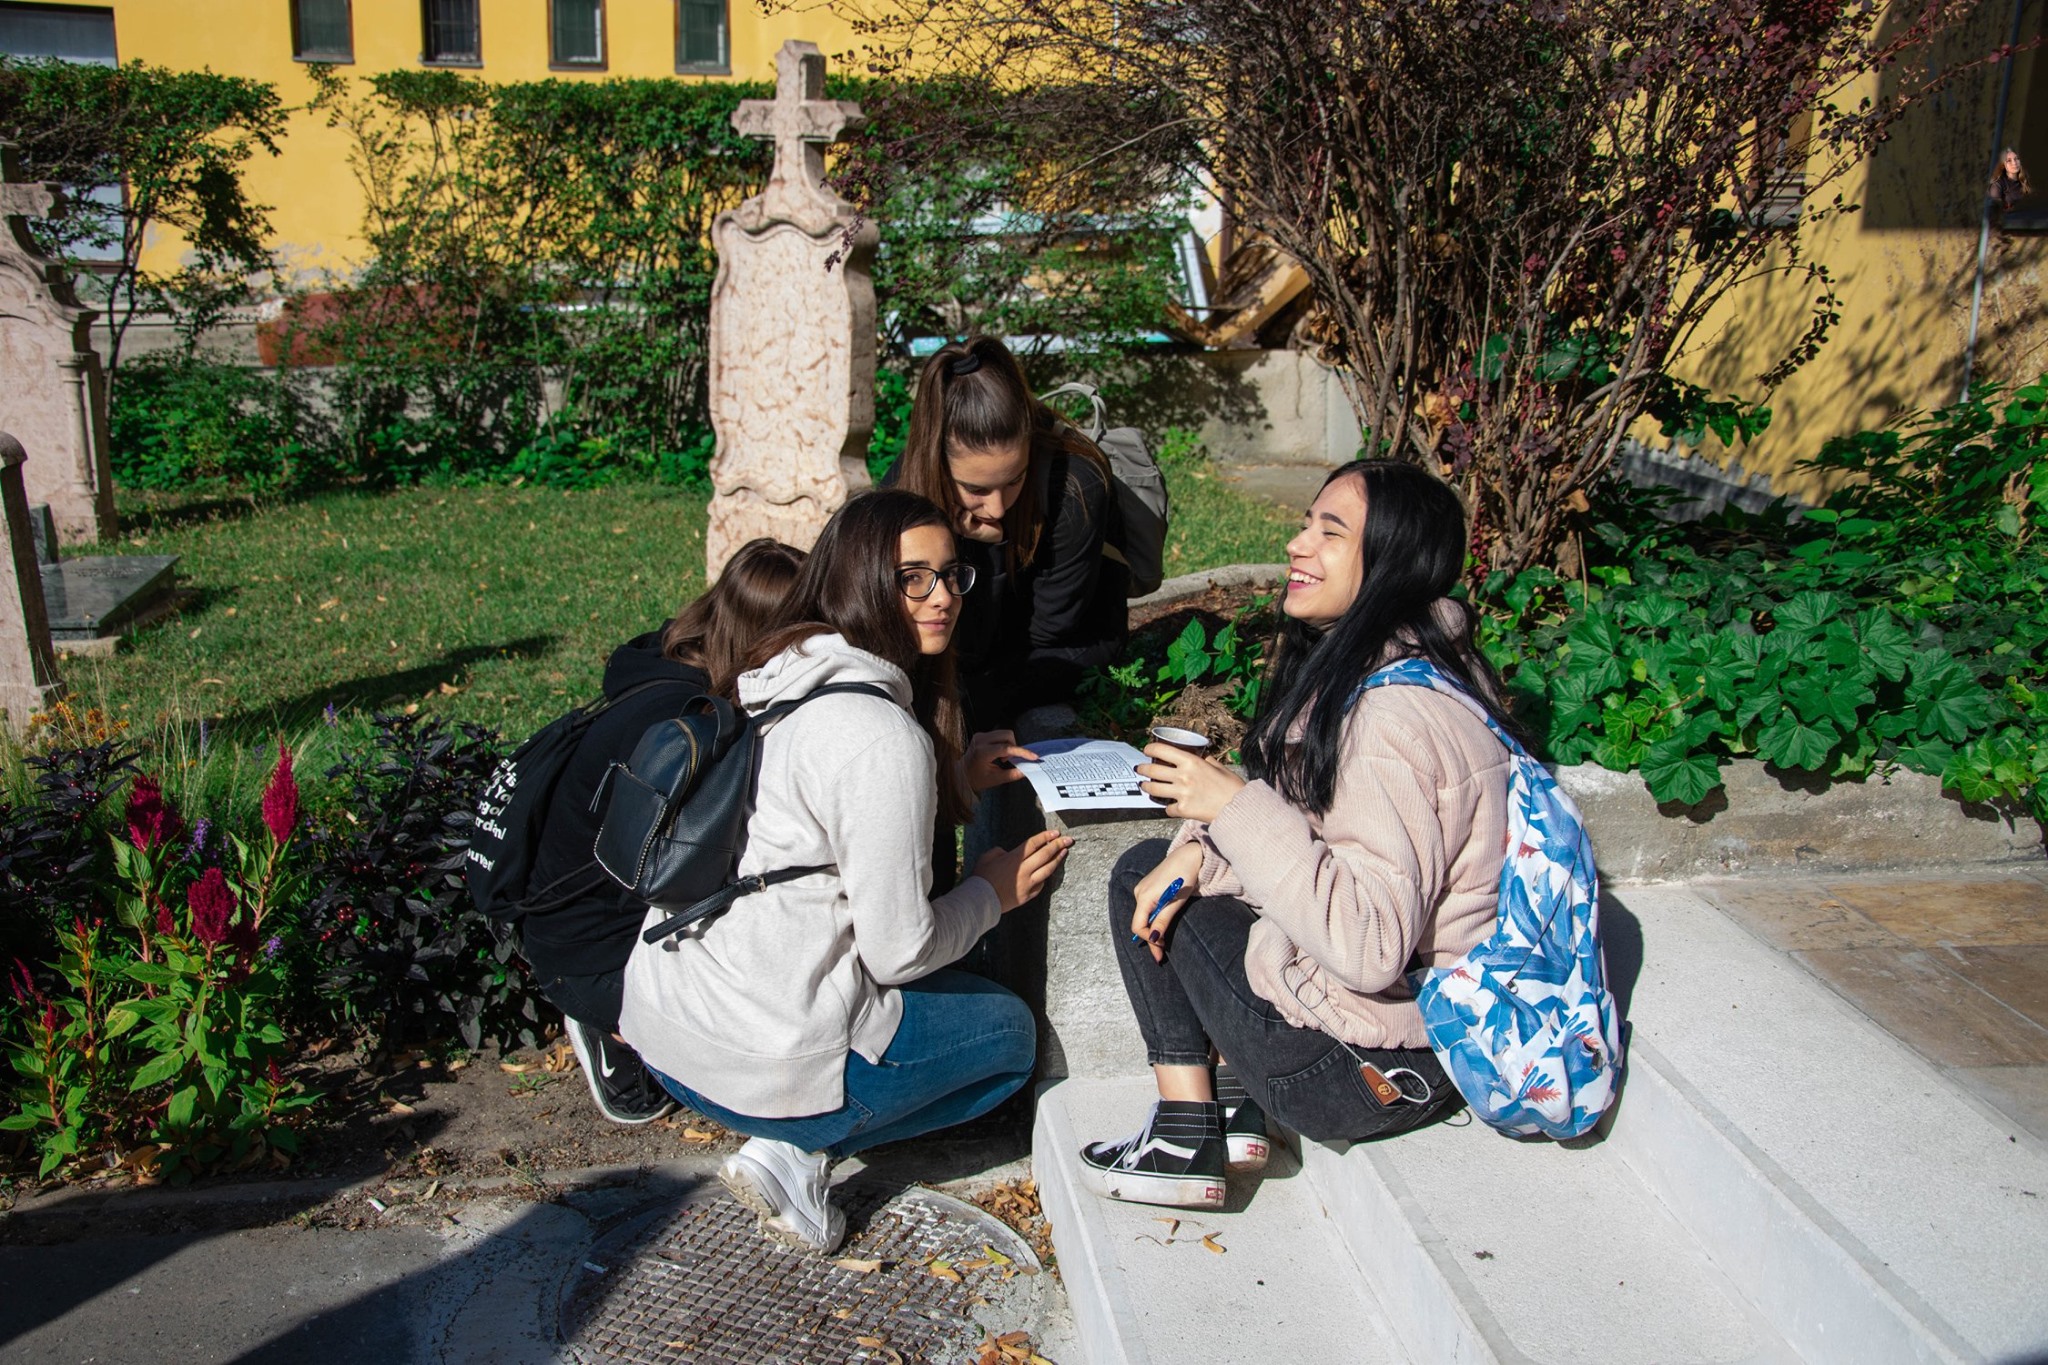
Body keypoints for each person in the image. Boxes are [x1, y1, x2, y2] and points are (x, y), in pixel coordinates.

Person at [619, 489, 1074, 1255]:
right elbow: (899, 951)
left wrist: (951, 778)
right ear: (860, 580)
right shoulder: (879, 734)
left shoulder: (781, 668)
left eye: (951, 575)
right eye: (912, 578)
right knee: (1008, 1036)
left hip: (668, 1028)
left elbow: (818, 816)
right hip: (753, 1062)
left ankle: (788, 1133)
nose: (941, 597)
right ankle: (798, 1148)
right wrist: (990, 894)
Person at [1078, 460, 1519, 1209]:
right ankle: (1239, 1110)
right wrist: (1204, 855)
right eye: (1307, 521)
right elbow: (1321, 852)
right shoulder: (1436, 670)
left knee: (1136, 875)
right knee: (1172, 866)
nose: (1296, 542)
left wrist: (1231, 807)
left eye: (1330, 532)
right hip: (1427, 1036)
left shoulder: (1387, 721)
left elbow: (1367, 944)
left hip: (1360, 1070)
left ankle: (1184, 1137)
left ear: (1391, 562)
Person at [521, 538, 807, 1126]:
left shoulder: (666, 669)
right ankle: (611, 1028)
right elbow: (692, 867)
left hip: (561, 924)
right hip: (593, 954)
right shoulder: (686, 721)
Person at [888, 335, 1127, 731]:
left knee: (967, 706)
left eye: (1015, 479)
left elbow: (1048, 630)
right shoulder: (910, 478)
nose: (998, 508)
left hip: (1065, 643)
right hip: (966, 635)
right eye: (976, 489)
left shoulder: (1076, 487)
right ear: (937, 463)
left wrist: (993, 549)